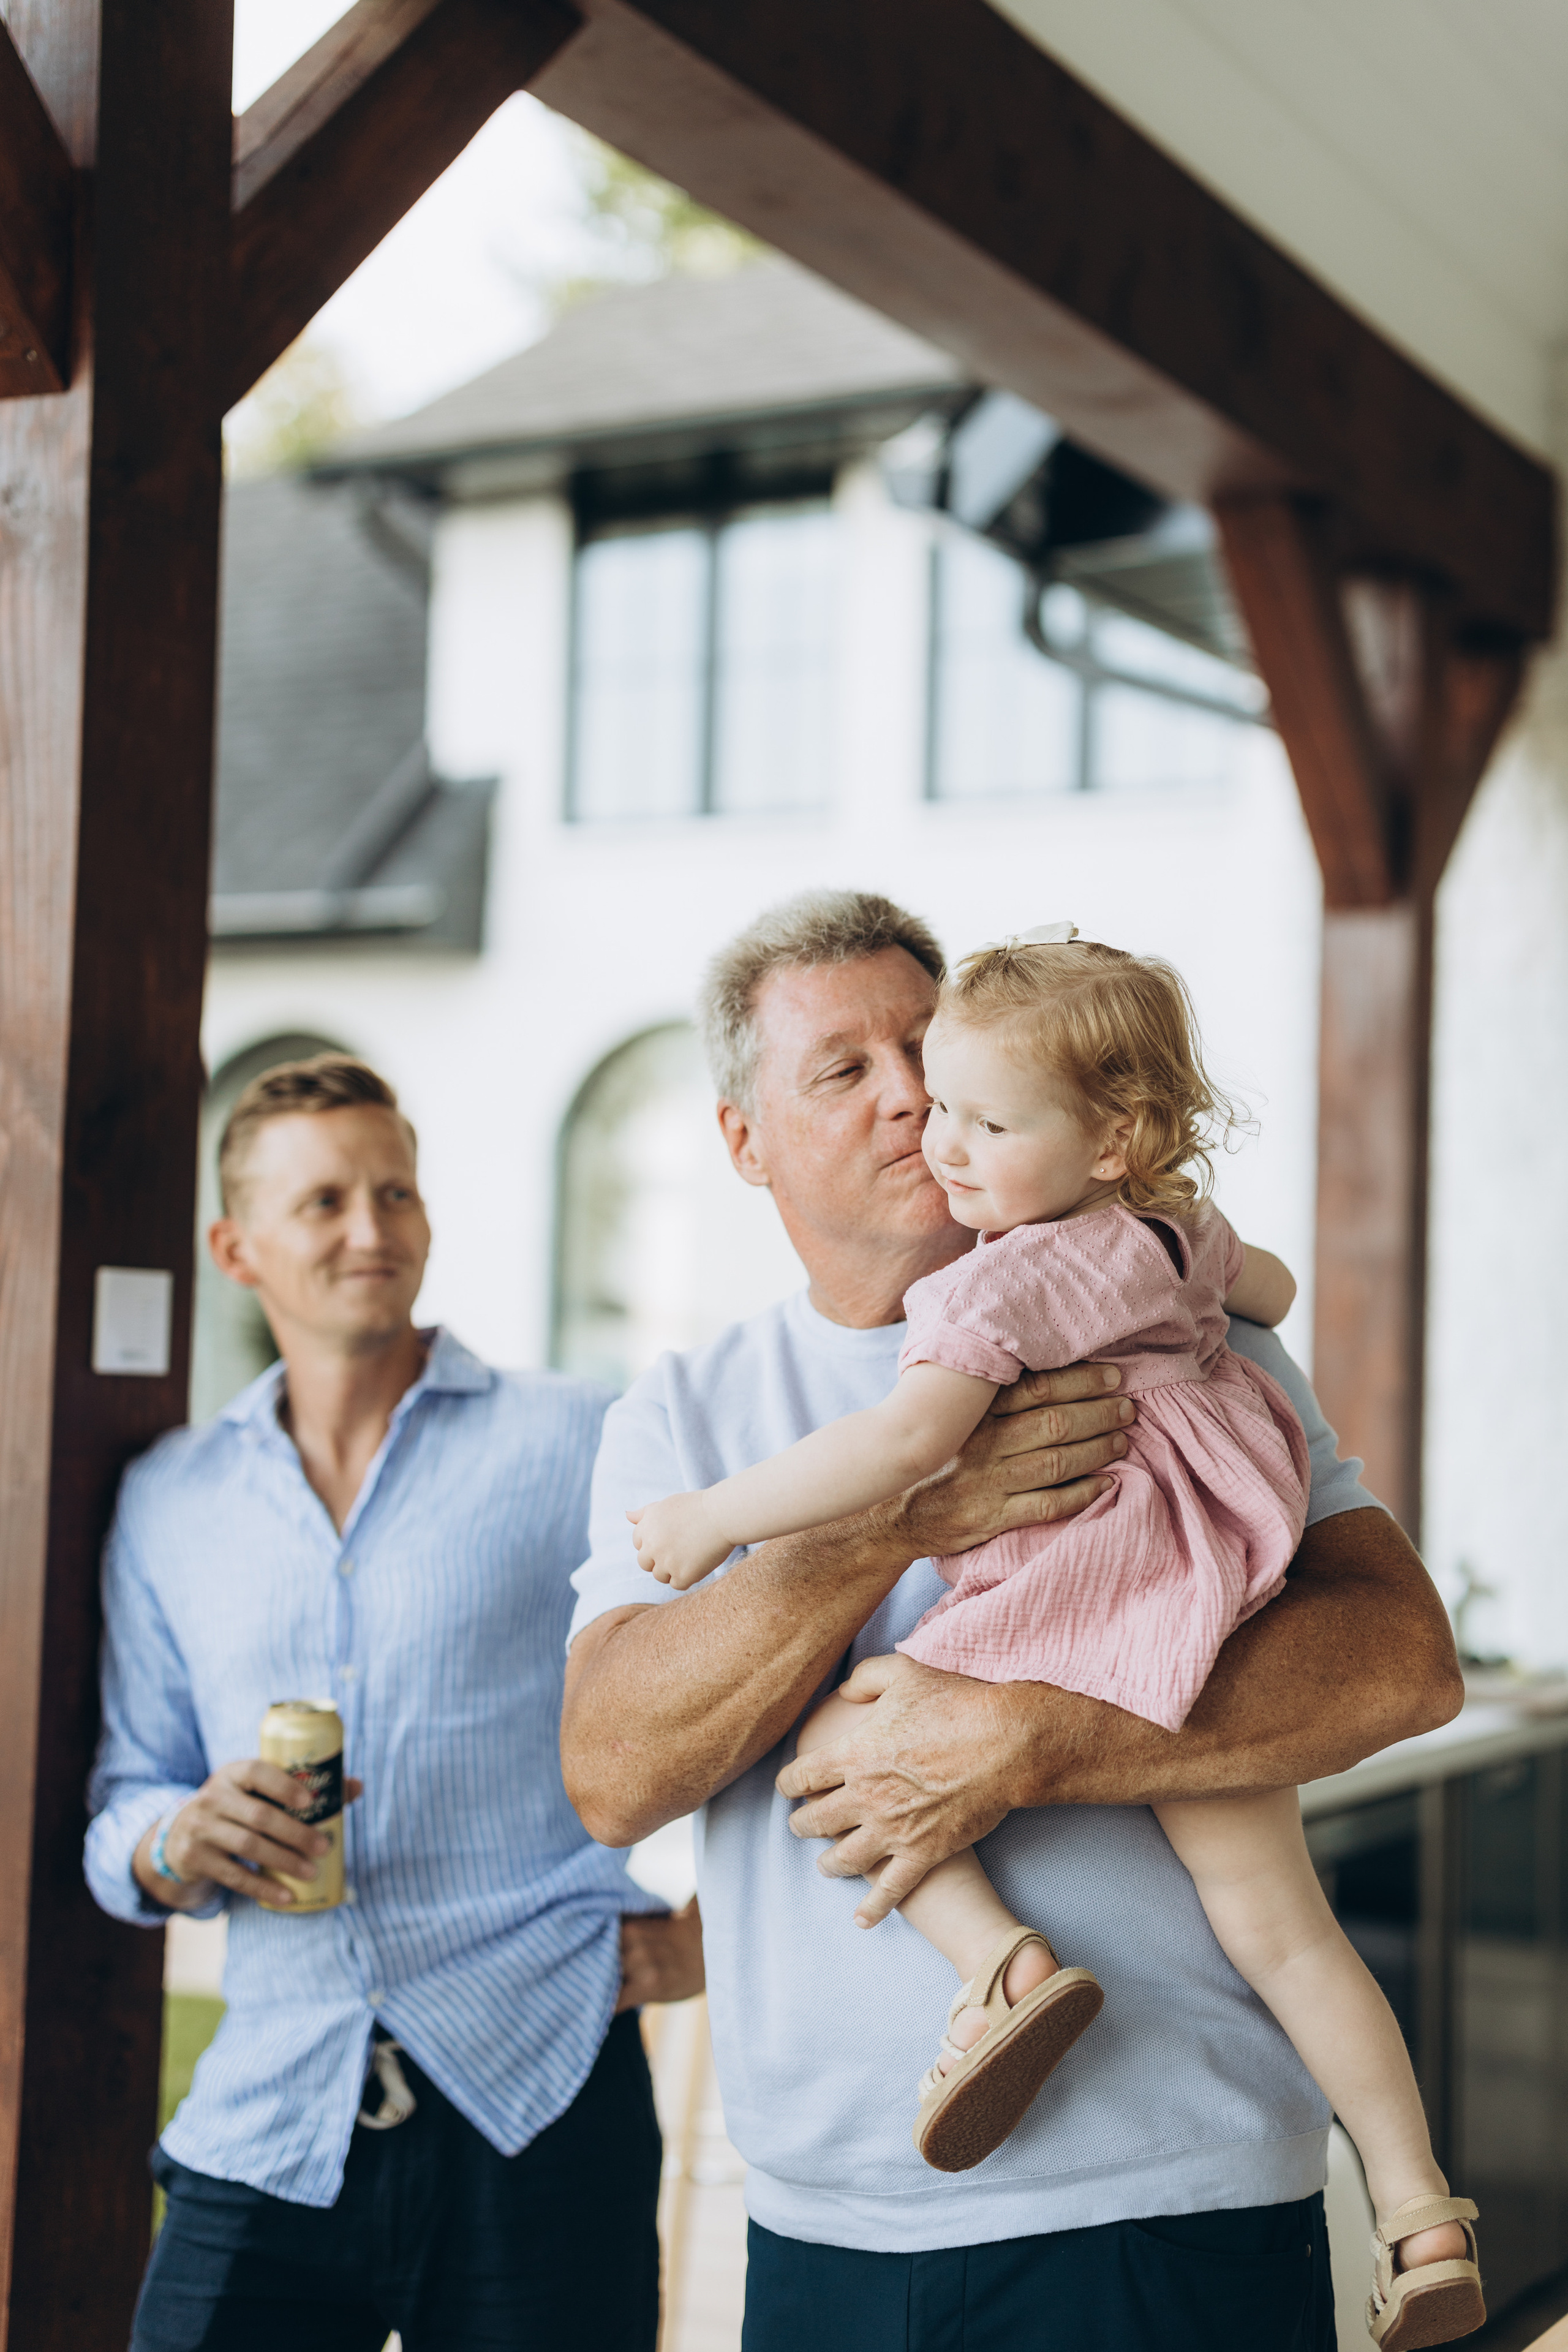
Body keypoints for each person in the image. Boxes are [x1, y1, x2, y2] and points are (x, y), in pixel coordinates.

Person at [564, 889, 1466, 2352]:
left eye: (926, 1046)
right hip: (840, 2221)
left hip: (1178, 2204)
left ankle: (1002, 1967)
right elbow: (611, 1773)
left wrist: (1024, 1739)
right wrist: (898, 1528)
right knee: (1285, 1922)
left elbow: (1400, 1664)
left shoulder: (1214, 1347)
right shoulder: (683, 1410)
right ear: (743, 1142)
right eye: (841, 1069)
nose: (912, 1095)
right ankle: (1420, 2198)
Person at [85, 1054, 702, 2352]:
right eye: (322, 1203)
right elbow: (126, 1793)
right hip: (270, 2111)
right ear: (235, 1246)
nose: (372, 1231)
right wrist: (169, 1840)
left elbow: (767, 1682)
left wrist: (714, 1935)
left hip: (543, 2104)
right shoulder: (170, 1500)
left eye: (396, 1194)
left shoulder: (579, 1438)